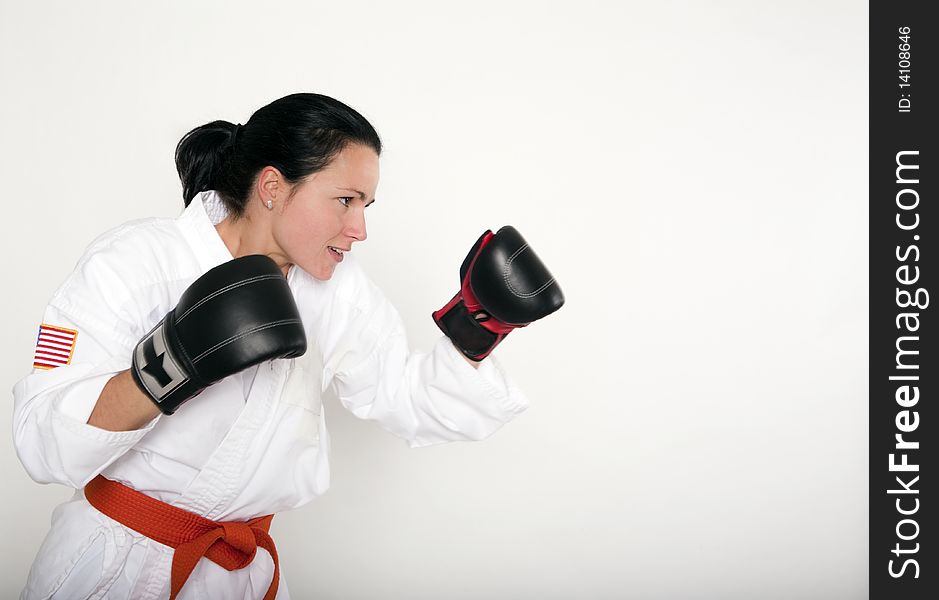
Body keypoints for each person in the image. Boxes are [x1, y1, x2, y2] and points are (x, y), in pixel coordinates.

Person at [12, 92, 564, 599]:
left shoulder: (337, 290)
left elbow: (405, 396)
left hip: (234, 573)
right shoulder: (136, 261)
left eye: (366, 205)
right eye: (345, 200)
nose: (359, 229)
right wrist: (168, 367)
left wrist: (478, 326)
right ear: (272, 187)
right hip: (113, 567)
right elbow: (43, 444)